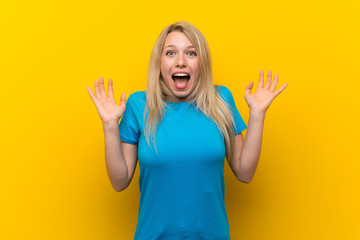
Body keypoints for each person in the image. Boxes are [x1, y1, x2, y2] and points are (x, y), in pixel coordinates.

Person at [87, 21, 288, 240]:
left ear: (202, 62)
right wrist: (109, 126)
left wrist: (257, 115)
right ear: (159, 62)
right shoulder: (138, 104)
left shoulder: (220, 100)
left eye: (191, 53)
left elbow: (245, 172)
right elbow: (119, 181)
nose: (180, 62)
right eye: (170, 53)